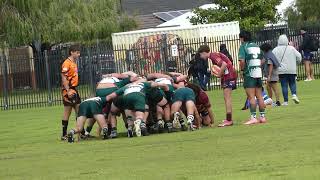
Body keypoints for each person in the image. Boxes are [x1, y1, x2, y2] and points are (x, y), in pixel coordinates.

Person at [198, 45, 237, 127]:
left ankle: (229, 120)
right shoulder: (214, 55)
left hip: (228, 76)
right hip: (229, 75)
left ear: (204, 52)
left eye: (201, 55)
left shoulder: (213, 56)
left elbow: (224, 64)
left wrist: (219, 74)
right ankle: (228, 119)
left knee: (227, 98)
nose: (201, 57)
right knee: (227, 98)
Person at [238, 30, 267, 125]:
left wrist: (242, 71)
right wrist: (258, 66)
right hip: (258, 73)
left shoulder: (243, 47)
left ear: (242, 38)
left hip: (249, 74)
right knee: (259, 96)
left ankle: (253, 117)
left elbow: (242, 61)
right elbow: (263, 59)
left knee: (251, 96)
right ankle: (262, 117)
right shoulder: (256, 46)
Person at [273, 34, 302, 106]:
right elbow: (299, 56)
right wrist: (297, 63)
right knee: (292, 83)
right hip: (292, 69)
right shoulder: (291, 48)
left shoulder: (275, 49)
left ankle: (286, 101)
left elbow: (272, 59)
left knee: (284, 85)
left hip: (281, 70)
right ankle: (294, 95)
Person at [60, 45, 81, 140]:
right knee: (67, 111)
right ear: (72, 52)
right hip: (69, 90)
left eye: (79, 52)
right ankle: (64, 134)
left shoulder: (74, 62)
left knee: (79, 110)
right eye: (77, 52)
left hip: (74, 89)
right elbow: (64, 77)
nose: (78, 54)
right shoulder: (66, 63)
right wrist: (68, 90)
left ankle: (81, 132)